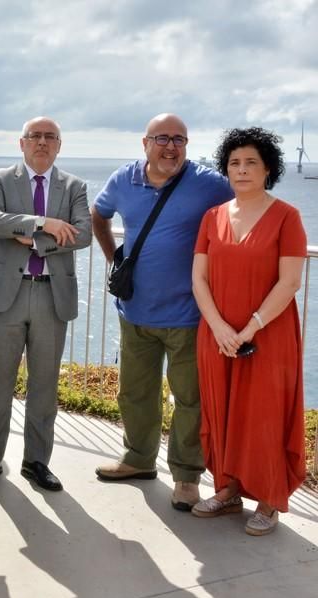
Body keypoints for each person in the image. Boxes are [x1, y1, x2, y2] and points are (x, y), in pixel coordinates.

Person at [91, 113, 232, 511]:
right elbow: (98, 215)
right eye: (163, 138)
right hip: (135, 310)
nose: (172, 147)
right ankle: (138, 459)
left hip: (188, 314)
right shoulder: (123, 180)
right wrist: (113, 260)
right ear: (145, 143)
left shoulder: (208, 183)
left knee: (190, 399)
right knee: (135, 392)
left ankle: (187, 477)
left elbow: (246, 205)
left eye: (180, 140)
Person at [190, 127, 306, 536]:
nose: (241, 170)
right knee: (221, 412)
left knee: (263, 415)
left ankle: (269, 499)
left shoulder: (287, 216)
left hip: (268, 335)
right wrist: (221, 327)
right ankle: (228, 491)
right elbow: (199, 279)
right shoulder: (212, 217)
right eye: (234, 163)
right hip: (217, 335)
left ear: (268, 169)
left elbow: (289, 282)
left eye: (250, 162)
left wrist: (249, 328)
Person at [0, 117, 91, 492]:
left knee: (44, 385)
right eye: (35, 136)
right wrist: (42, 222)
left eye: (50, 137)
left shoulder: (74, 186)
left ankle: (36, 462)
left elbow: (83, 232)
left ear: (59, 145)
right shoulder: (1, 179)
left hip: (51, 296)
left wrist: (36, 240)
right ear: (21, 143)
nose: (42, 142)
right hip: (7, 295)